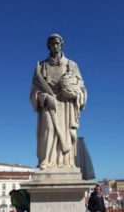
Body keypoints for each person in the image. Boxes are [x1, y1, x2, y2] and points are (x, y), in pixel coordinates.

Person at [29, 33, 87, 170]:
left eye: (57, 43)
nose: (55, 46)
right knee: (48, 129)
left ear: (62, 45)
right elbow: (34, 90)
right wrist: (43, 97)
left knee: (66, 133)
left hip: (66, 104)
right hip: (48, 103)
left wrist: (74, 92)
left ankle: (65, 163)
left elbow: (81, 87)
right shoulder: (41, 66)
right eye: (52, 43)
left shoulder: (72, 65)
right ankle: (47, 161)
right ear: (48, 46)